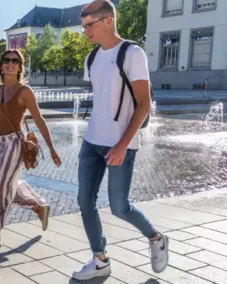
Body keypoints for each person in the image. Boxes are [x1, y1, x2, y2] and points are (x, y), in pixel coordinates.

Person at [72, 0, 168, 280]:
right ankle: (100, 259)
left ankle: (156, 238)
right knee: (84, 201)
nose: (86, 32)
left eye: (89, 25)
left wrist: (123, 144)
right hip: (92, 141)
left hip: (120, 144)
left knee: (119, 206)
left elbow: (143, 104)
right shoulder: (92, 58)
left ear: (108, 21)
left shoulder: (132, 53)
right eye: (84, 26)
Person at [0, 49, 62, 251]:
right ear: (1, 66)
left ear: (19, 67)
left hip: (14, 144)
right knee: (9, 186)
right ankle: (38, 207)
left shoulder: (24, 91)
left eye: (15, 61)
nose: (10, 63)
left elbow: (39, 119)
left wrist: (51, 148)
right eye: (6, 60)